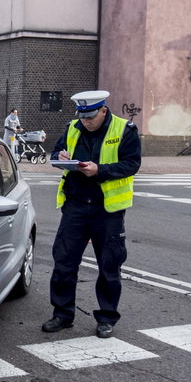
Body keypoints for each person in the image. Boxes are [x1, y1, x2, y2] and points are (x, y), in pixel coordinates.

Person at [43, 90, 141, 339]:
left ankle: (107, 318)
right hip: (75, 205)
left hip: (107, 210)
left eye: (90, 117)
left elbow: (132, 164)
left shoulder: (124, 129)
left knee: (109, 266)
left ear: (103, 111)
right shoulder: (73, 127)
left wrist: (100, 170)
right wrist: (61, 158)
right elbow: (55, 154)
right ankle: (62, 315)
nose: (86, 122)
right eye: (82, 117)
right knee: (64, 263)